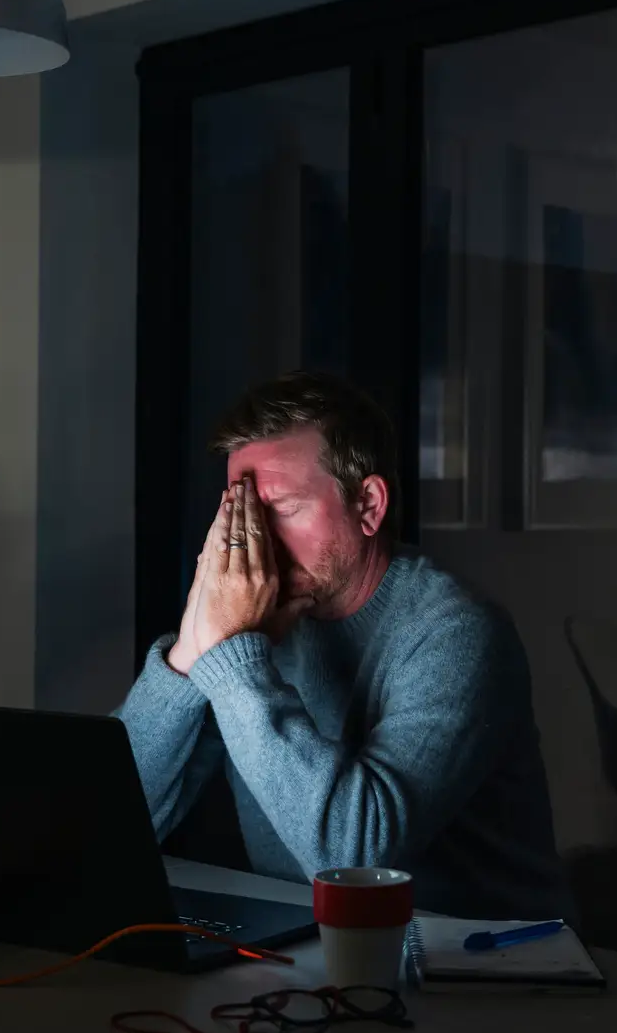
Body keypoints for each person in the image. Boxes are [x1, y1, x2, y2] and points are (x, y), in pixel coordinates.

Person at [116, 370, 569, 921]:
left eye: (281, 509)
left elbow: (352, 862)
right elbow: (114, 822)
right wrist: (191, 653)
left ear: (369, 505)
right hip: (314, 952)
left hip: (480, 969)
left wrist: (233, 660)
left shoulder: (456, 633)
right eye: (242, 513)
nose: (252, 541)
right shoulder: (258, 619)